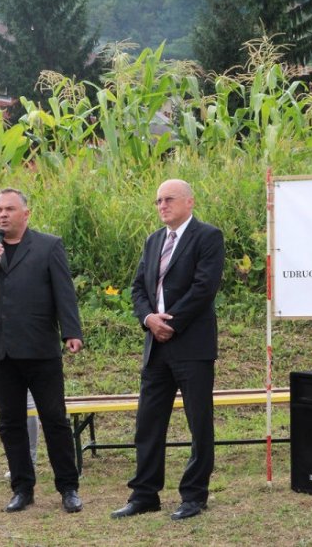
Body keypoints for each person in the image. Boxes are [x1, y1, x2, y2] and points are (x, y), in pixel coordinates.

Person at [0, 188, 84, 514]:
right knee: (10, 423)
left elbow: (64, 292)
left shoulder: (48, 246)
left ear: (25, 214)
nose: (3, 214)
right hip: (3, 352)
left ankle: (68, 488)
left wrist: (71, 331)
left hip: (41, 349)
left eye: (10, 209)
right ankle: (22, 489)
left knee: (54, 419)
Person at [111, 179, 225, 521]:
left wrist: (170, 323)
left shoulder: (207, 237)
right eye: (158, 200)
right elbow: (137, 287)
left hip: (191, 345)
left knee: (198, 422)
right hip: (156, 348)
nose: (162, 205)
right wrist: (148, 318)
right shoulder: (153, 241)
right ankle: (145, 494)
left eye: (169, 199)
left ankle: (194, 495)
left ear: (189, 202)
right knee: (148, 423)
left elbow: (204, 287)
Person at [0, 214, 39, 475]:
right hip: (0, 349)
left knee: (31, 407)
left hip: (30, 346)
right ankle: (19, 467)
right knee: (9, 414)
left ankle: (32, 457)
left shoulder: (30, 255)